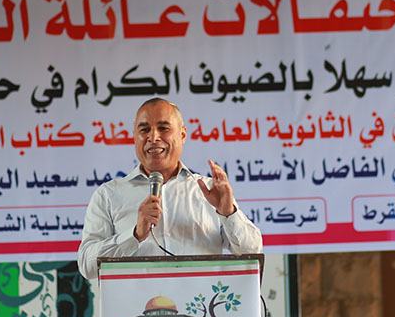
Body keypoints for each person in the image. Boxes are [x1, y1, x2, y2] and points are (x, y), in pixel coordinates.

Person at [77, 97, 262, 279]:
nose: (153, 137)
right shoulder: (108, 195)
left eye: (163, 128)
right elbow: (87, 266)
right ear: (134, 138)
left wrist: (228, 212)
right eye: (144, 130)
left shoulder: (209, 190)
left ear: (182, 135)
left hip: (200, 299)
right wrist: (134, 234)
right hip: (137, 300)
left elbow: (252, 253)